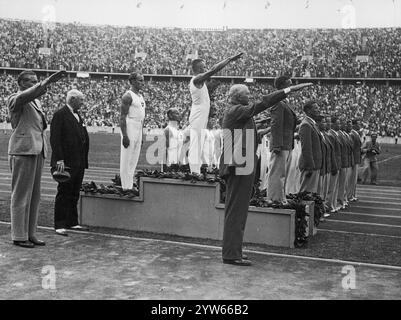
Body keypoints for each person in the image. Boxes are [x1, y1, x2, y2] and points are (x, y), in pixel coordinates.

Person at [219, 82, 312, 266]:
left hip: (241, 163)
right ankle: (231, 254)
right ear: (238, 97)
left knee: (239, 211)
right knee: (236, 211)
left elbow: (246, 131)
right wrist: (287, 91)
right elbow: (262, 103)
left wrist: (263, 127)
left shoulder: (238, 111)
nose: (250, 96)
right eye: (247, 94)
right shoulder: (236, 110)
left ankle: (234, 250)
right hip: (239, 164)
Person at [7, 69, 66, 248]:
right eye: (30, 81)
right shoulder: (14, 98)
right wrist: (45, 82)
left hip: (36, 150)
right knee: (21, 195)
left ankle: (30, 233)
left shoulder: (36, 102)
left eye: (36, 80)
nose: (34, 83)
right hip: (22, 150)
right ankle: (18, 235)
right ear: (21, 84)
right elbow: (23, 98)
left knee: (34, 196)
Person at [188, 53, 243, 174]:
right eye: (203, 67)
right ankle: (194, 172)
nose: (206, 69)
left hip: (201, 115)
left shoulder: (200, 81)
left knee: (199, 143)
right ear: (197, 68)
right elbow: (213, 70)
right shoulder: (196, 79)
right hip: (197, 115)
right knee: (196, 143)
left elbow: (212, 69)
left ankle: (196, 170)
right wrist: (228, 59)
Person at [50, 89, 90, 236]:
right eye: (81, 100)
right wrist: (59, 159)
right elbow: (55, 138)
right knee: (64, 192)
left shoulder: (77, 115)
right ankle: (59, 224)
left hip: (79, 161)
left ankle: (72, 222)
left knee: (74, 193)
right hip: (66, 162)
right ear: (73, 99)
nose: (83, 102)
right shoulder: (60, 114)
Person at [266, 76, 298, 204]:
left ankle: (280, 197)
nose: (291, 87)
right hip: (281, 144)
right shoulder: (278, 102)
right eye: (289, 84)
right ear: (282, 86)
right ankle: (274, 198)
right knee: (277, 173)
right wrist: (277, 145)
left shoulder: (283, 102)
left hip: (286, 143)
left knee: (283, 173)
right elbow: (276, 124)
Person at [120, 72, 146, 190]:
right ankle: (125, 186)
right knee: (127, 158)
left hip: (138, 126)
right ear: (133, 81)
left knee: (134, 158)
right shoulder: (128, 96)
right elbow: (122, 116)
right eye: (140, 80)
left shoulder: (140, 96)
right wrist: (125, 135)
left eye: (142, 80)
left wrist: (142, 134)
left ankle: (130, 185)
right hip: (130, 125)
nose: (142, 83)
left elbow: (142, 117)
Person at [298, 101, 322, 193]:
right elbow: (306, 148)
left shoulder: (311, 124)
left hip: (315, 163)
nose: (318, 110)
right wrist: (310, 166)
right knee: (306, 192)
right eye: (315, 108)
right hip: (310, 165)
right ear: (308, 110)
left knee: (311, 193)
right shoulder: (306, 125)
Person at [326, 116, 342, 213]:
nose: (339, 125)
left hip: (337, 162)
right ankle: (329, 205)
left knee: (335, 186)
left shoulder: (335, 134)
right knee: (331, 187)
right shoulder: (331, 135)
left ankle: (332, 204)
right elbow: (332, 152)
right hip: (334, 163)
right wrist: (334, 164)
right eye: (338, 123)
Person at [349, 119, 362, 201]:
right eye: (358, 124)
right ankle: (350, 195)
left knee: (354, 179)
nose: (359, 125)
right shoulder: (352, 134)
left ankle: (352, 194)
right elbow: (352, 148)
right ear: (354, 125)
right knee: (352, 179)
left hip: (357, 158)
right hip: (354, 158)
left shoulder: (356, 133)